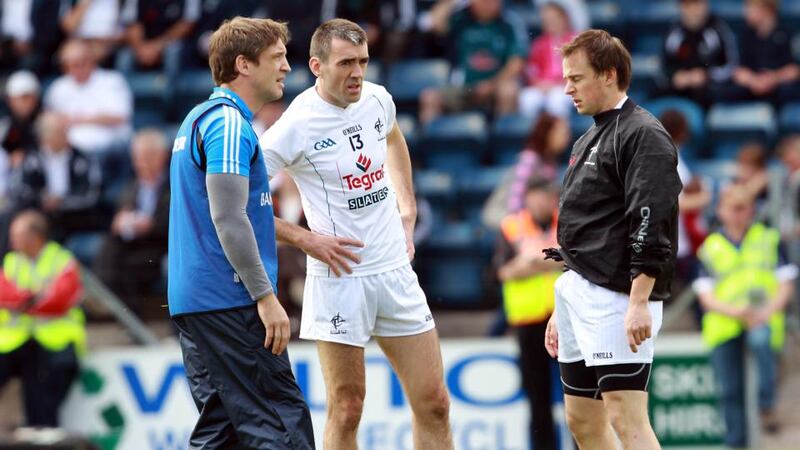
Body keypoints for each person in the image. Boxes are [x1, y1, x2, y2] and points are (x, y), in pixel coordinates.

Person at [260, 19, 453, 450]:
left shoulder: (378, 100)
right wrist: (305, 238)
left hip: (394, 271)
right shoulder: (296, 125)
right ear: (316, 65)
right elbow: (237, 204)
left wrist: (408, 209)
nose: (357, 73)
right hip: (340, 277)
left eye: (363, 61)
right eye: (346, 63)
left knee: (435, 402)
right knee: (347, 409)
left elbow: (394, 138)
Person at [167, 17, 314, 448]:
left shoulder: (201, 118)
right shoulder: (229, 125)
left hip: (197, 300)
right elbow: (229, 218)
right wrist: (265, 296)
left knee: (223, 431)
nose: (287, 66)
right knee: (279, 425)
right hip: (231, 299)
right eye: (277, 57)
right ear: (244, 65)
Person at [543, 30, 682, 450]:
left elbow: (650, 219)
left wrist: (639, 299)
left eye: (577, 78)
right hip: (579, 291)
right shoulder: (590, 135)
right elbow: (590, 224)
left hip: (618, 296)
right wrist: (565, 299)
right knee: (581, 421)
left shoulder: (643, 133)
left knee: (627, 418)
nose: (567, 88)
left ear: (608, 75)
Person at [693, 185, 797, 444]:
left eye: (745, 207)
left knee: (762, 343)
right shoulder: (712, 246)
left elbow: (786, 283)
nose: (740, 214)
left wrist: (765, 311)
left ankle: (766, 404)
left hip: (761, 318)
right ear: (722, 210)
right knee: (729, 391)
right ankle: (735, 443)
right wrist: (736, 311)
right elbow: (705, 294)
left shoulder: (768, 239)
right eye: (734, 208)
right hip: (725, 322)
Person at [495, 177, 563, 450]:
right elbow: (502, 272)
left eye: (545, 196)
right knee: (538, 400)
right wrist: (550, 262)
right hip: (529, 322)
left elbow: (578, 260)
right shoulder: (512, 227)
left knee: (579, 397)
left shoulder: (567, 222)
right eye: (536, 196)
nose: (541, 202)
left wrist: (533, 263)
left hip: (565, 319)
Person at [0, 209, 84, 427]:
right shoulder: (12, 261)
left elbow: (58, 299)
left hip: (57, 345)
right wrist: (33, 296)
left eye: (17, 236)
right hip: (16, 343)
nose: (11, 241)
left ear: (35, 237)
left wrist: (21, 301)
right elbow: (3, 293)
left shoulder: (62, 260)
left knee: (44, 403)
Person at [93, 128, 169, 314]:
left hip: (162, 244)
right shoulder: (132, 187)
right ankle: (102, 291)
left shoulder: (173, 184)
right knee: (111, 246)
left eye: (147, 157)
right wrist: (120, 222)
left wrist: (151, 224)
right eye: (137, 158)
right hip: (135, 244)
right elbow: (121, 213)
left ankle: (101, 294)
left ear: (161, 157)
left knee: (124, 265)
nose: (141, 163)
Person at [418, 0, 525, 124]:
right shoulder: (462, 19)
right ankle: (432, 142)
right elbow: (435, 23)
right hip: (465, 87)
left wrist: (491, 84)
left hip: (496, 86)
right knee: (430, 97)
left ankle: (504, 140)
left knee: (509, 91)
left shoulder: (510, 23)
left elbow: (517, 63)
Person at [11, 112, 103, 240]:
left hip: (75, 218)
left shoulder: (83, 159)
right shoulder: (31, 159)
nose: (66, 135)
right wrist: (42, 199)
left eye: (66, 130)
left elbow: (91, 194)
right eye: (60, 132)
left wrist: (61, 202)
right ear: (45, 138)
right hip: (40, 216)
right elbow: (20, 190)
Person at [44, 39, 132, 155]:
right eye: (72, 65)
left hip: (110, 146)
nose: (78, 69)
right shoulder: (58, 87)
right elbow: (51, 120)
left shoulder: (112, 80)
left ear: (91, 61)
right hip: (71, 150)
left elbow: (119, 117)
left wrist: (76, 119)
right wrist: (96, 118)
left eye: (82, 63)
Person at [661, 0, 738, 108]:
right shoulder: (674, 30)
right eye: (688, 6)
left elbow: (730, 66)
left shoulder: (718, 28)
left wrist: (707, 75)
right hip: (679, 90)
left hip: (709, 90)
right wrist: (675, 77)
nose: (693, 11)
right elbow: (664, 66)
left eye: (697, 5)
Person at [518, 1, 577, 119]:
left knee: (556, 100)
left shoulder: (577, 41)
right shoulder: (539, 44)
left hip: (566, 86)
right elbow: (531, 70)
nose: (551, 22)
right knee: (527, 98)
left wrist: (557, 84)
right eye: (547, 19)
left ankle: (559, 135)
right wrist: (539, 84)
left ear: (565, 18)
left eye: (554, 18)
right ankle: (535, 134)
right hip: (543, 86)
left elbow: (581, 71)